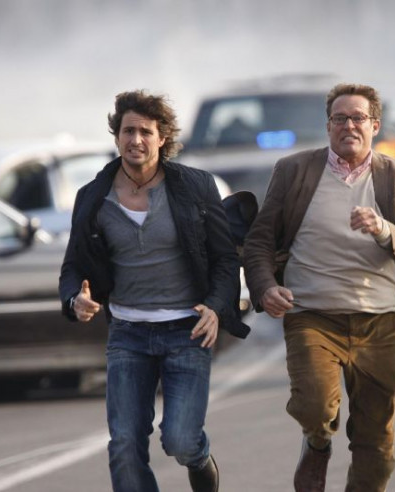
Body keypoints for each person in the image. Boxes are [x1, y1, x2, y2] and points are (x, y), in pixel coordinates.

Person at [59, 90, 249, 492]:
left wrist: (216, 307)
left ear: (162, 138)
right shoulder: (92, 197)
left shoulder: (196, 186)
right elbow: (73, 265)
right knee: (125, 444)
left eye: (145, 132)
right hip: (127, 333)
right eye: (128, 131)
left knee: (180, 440)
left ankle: (199, 457)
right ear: (117, 136)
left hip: (188, 330)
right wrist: (75, 298)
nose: (136, 140)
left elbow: (224, 258)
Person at [243, 83, 395, 492]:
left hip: (377, 321)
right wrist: (265, 287)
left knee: (376, 444)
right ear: (328, 126)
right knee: (314, 406)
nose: (348, 126)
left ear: (375, 125)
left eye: (358, 118)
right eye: (339, 118)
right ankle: (317, 441)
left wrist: (382, 228)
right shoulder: (294, 170)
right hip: (312, 315)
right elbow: (259, 241)